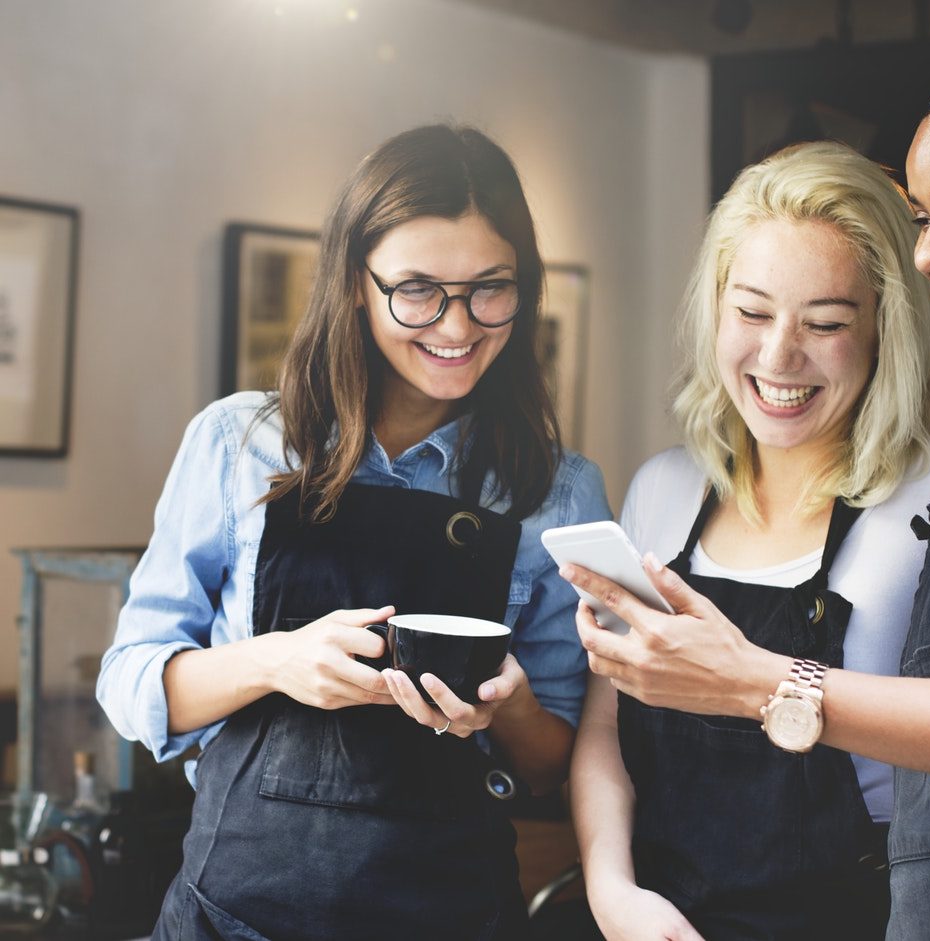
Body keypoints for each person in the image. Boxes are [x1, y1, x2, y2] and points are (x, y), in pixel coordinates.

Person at [97, 123, 611, 941]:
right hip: (230, 915)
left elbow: (554, 758)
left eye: (491, 287)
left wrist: (507, 708)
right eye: (417, 289)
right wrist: (278, 660)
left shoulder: (560, 490)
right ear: (354, 283)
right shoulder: (239, 442)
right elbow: (129, 684)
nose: (457, 324)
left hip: (451, 917)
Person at [564, 52, 930, 941]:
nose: (779, 359)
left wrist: (762, 681)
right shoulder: (662, 489)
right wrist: (614, 893)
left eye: (825, 324)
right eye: (751, 312)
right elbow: (605, 728)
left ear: (885, 327)